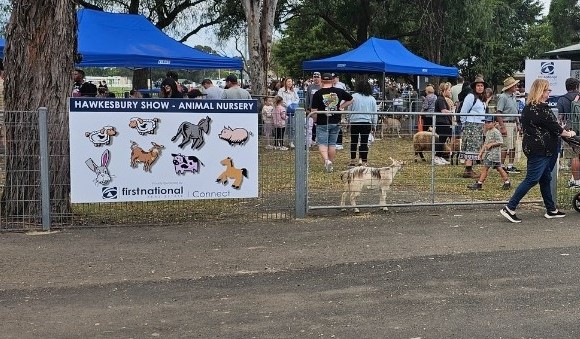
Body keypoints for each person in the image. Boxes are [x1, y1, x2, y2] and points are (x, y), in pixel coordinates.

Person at [500, 79, 575, 223]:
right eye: (547, 90)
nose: (549, 93)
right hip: (541, 149)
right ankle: (509, 207)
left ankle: (551, 209)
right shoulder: (541, 109)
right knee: (532, 179)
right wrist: (569, 133)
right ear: (541, 92)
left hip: (535, 147)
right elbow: (556, 128)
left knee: (545, 178)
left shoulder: (529, 107)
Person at [311, 73, 354, 173]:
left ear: (322, 81)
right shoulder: (339, 91)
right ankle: (330, 162)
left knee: (322, 143)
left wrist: (315, 120)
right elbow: (351, 99)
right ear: (332, 80)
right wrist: (341, 106)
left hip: (322, 122)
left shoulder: (318, 93)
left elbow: (313, 110)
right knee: (332, 144)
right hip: (336, 121)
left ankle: (326, 161)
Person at [467, 116, 511, 190]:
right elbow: (485, 143)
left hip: (493, 155)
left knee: (485, 168)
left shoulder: (496, 132)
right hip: (489, 154)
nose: (486, 124)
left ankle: (479, 184)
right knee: (499, 168)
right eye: (485, 122)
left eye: (489, 122)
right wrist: (481, 153)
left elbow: (500, 141)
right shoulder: (488, 132)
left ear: (494, 123)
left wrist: (492, 144)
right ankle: (507, 182)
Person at [459, 77, 488, 178]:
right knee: (470, 146)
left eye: (482, 86)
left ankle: (469, 169)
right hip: (471, 124)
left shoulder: (482, 99)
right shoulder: (471, 97)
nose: (480, 88)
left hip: (479, 125)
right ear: (474, 87)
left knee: (474, 147)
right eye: (478, 86)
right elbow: (463, 111)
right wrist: (464, 124)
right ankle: (468, 170)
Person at [346, 80, 378, 167]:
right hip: (366, 122)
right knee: (364, 142)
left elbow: (349, 110)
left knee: (354, 141)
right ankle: (364, 161)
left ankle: (352, 161)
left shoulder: (353, 97)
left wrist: (348, 121)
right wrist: (374, 125)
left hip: (355, 121)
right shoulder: (372, 99)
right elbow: (374, 113)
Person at [556, 77, 580, 188]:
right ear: (577, 86)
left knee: (573, 155)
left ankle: (576, 181)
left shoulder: (562, 99)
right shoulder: (579, 97)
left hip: (569, 129)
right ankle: (573, 178)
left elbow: (560, 117)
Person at [496, 76, 522, 174]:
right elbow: (498, 112)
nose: (516, 86)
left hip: (513, 123)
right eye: (514, 85)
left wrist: (518, 123)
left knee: (513, 145)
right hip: (506, 123)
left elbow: (515, 111)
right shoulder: (503, 97)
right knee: (505, 145)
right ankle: (501, 166)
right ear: (510, 87)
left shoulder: (513, 97)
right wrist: (502, 127)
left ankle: (510, 165)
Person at [433, 82, 454, 165]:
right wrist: (452, 112)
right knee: (441, 140)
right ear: (444, 90)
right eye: (449, 90)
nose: (450, 92)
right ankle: (436, 157)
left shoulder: (442, 99)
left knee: (443, 140)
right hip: (442, 122)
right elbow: (443, 111)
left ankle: (440, 156)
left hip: (445, 122)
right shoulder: (440, 99)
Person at [277, 77, 300, 148]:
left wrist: (293, 105)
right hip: (284, 110)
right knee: (283, 126)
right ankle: (280, 141)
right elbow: (280, 99)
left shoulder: (294, 91)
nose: (290, 83)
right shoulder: (281, 90)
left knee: (292, 126)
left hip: (292, 110)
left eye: (291, 82)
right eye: (288, 81)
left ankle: (291, 141)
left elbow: (297, 99)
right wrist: (288, 105)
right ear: (285, 82)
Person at [305, 72, 322, 146]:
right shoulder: (310, 87)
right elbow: (307, 98)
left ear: (320, 77)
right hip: (311, 109)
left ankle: (319, 140)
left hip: (320, 109)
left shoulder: (322, 86)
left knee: (320, 125)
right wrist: (307, 108)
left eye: (317, 77)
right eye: (314, 77)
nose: (316, 78)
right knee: (311, 126)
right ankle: (311, 139)